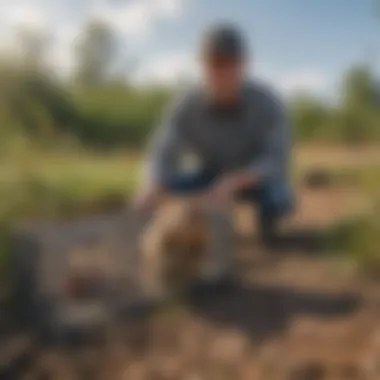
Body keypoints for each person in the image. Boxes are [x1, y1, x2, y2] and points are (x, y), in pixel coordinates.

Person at [135, 22, 293, 258]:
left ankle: (268, 229)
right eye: (213, 64)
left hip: (253, 179)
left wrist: (236, 181)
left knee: (278, 198)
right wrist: (154, 183)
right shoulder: (187, 104)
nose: (220, 72)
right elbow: (163, 150)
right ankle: (176, 236)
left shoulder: (267, 102)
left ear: (243, 65)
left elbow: (277, 159)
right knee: (165, 183)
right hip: (209, 176)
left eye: (227, 63)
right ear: (202, 66)